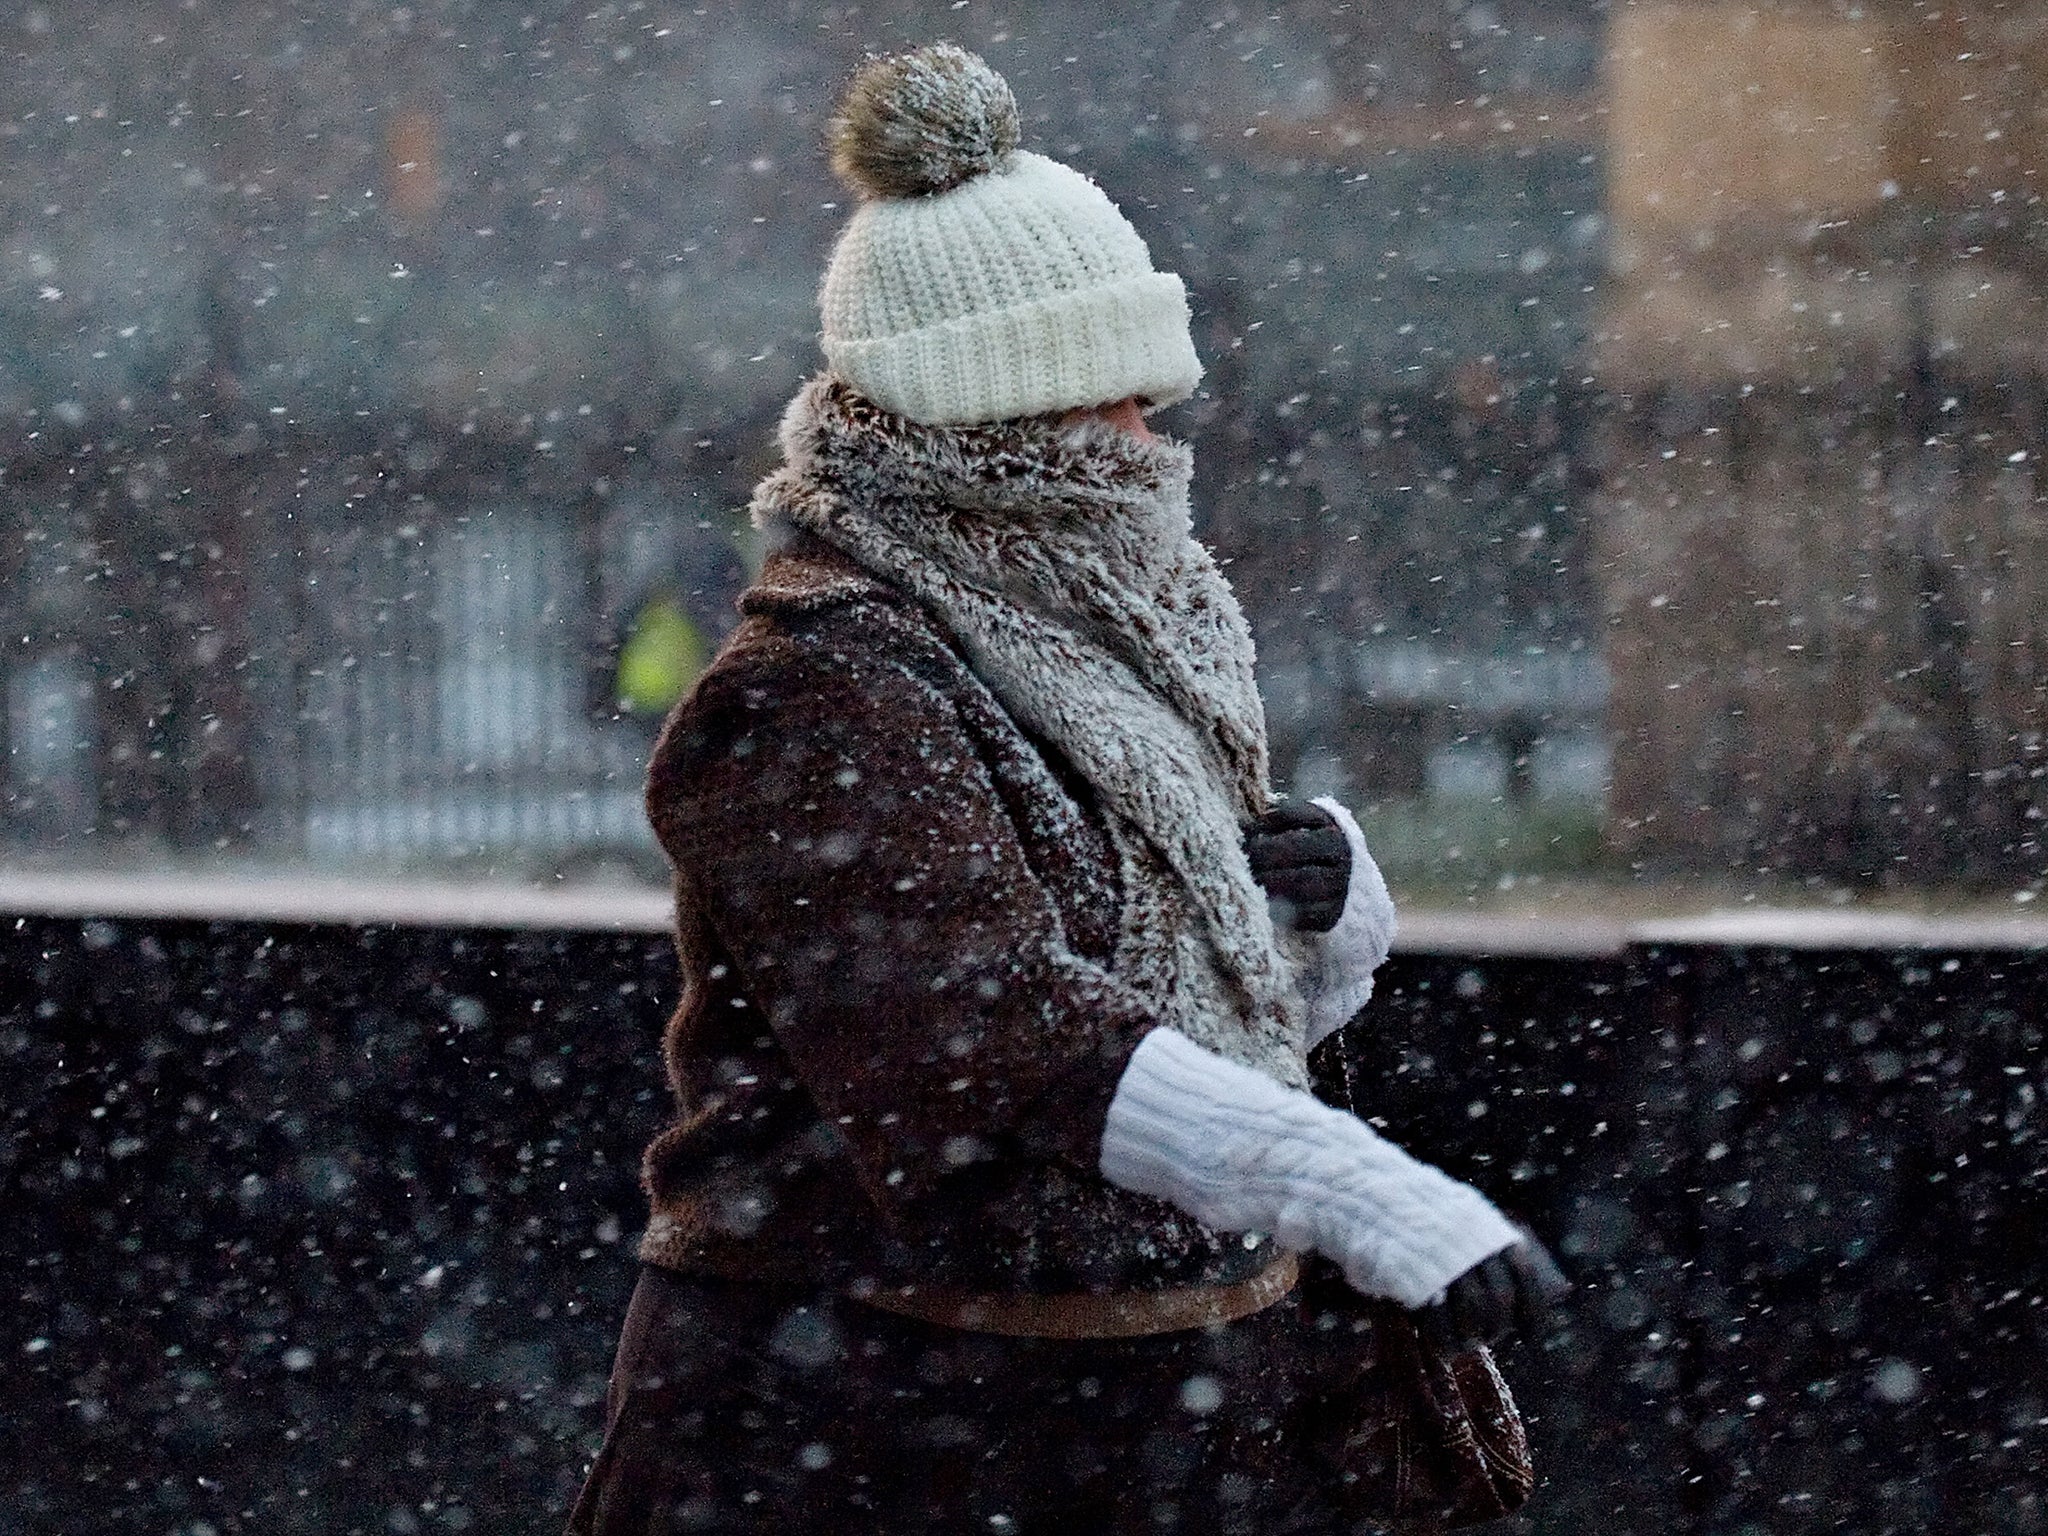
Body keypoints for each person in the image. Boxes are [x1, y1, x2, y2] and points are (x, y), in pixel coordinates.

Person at [568, 44, 1565, 1536]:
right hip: (865, 1428)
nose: (1147, 449)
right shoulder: (811, 690)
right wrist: (1369, 1197)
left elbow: (1205, 996)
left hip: (1145, 1407)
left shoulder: (1124, 629)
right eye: (1115, 405)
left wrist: (1326, 908)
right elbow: (994, 1037)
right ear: (1004, 413)